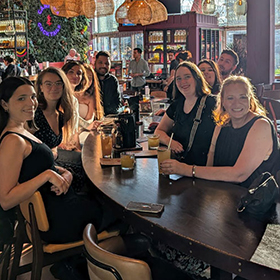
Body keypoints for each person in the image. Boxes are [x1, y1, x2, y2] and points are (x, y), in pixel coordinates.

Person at [0, 77, 107, 245]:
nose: (31, 103)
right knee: (121, 212)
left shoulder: (22, 130)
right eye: (21, 98)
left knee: (106, 200)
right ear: (5, 104)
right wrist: (47, 175)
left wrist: (65, 172)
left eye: (33, 97)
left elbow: (35, 166)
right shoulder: (13, 141)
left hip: (63, 208)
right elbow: (6, 200)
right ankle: (85, 264)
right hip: (59, 221)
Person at [161, 76, 280, 188]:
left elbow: (239, 175)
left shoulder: (261, 126)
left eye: (242, 97)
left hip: (255, 204)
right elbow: (210, 165)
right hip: (221, 199)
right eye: (230, 98)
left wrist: (186, 169)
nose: (236, 103)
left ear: (250, 99)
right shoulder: (221, 125)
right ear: (222, 101)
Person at [155, 61, 216, 166]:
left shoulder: (212, 103)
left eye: (187, 77)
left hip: (202, 168)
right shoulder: (177, 105)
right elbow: (158, 131)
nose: (183, 81)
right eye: (178, 78)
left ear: (197, 78)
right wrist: (171, 142)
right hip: (179, 167)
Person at [33, 67, 76, 159]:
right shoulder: (34, 114)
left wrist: (53, 152)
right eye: (48, 84)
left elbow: (53, 147)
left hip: (51, 163)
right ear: (41, 87)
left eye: (58, 83)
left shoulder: (60, 116)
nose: (54, 88)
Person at [76, 63, 104, 131]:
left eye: (90, 77)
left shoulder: (91, 98)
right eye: (85, 77)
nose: (87, 80)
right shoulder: (69, 95)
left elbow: (89, 120)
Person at [94, 51, 122, 115]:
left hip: (110, 118)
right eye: (100, 63)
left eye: (107, 63)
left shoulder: (113, 80)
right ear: (95, 63)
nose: (103, 66)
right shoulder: (89, 79)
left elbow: (118, 102)